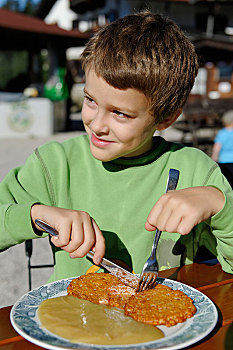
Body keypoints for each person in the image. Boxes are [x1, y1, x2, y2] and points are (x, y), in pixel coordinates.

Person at [0, 11, 233, 283]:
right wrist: (33, 214)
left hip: (164, 322)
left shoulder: (196, 172)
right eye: (90, 100)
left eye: (120, 113)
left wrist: (221, 208)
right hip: (72, 321)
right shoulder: (54, 164)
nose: (97, 124)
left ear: (166, 118)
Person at [212, 110, 233, 188]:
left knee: (228, 180)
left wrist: (214, 157)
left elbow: (217, 147)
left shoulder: (222, 133)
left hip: (224, 160)